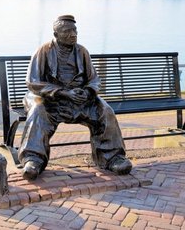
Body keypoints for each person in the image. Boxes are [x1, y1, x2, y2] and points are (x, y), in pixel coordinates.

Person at [19, 15, 132, 180]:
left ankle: (112, 158)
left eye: (75, 31)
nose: (73, 34)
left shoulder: (82, 51)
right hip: (49, 99)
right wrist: (63, 92)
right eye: (67, 31)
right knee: (38, 110)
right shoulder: (43, 51)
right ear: (56, 35)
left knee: (105, 110)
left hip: (78, 99)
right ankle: (33, 160)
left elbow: (94, 79)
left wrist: (87, 92)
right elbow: (33, 82)